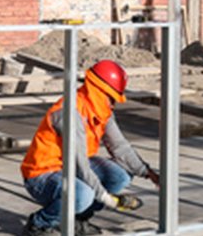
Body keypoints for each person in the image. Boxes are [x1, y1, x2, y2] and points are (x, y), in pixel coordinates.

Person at [20, 59, 160, 236]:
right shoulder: (69, 113)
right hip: (42, 175)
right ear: (99, 91)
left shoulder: (101, 110)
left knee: (120, 176)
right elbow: (80, 166)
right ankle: (38, 225)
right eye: (112, 98)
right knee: (83, 195)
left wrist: (148, 173)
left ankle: (77, 220)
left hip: (70, 166)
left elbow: (120, 146)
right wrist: (108, 199)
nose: (113, 103)